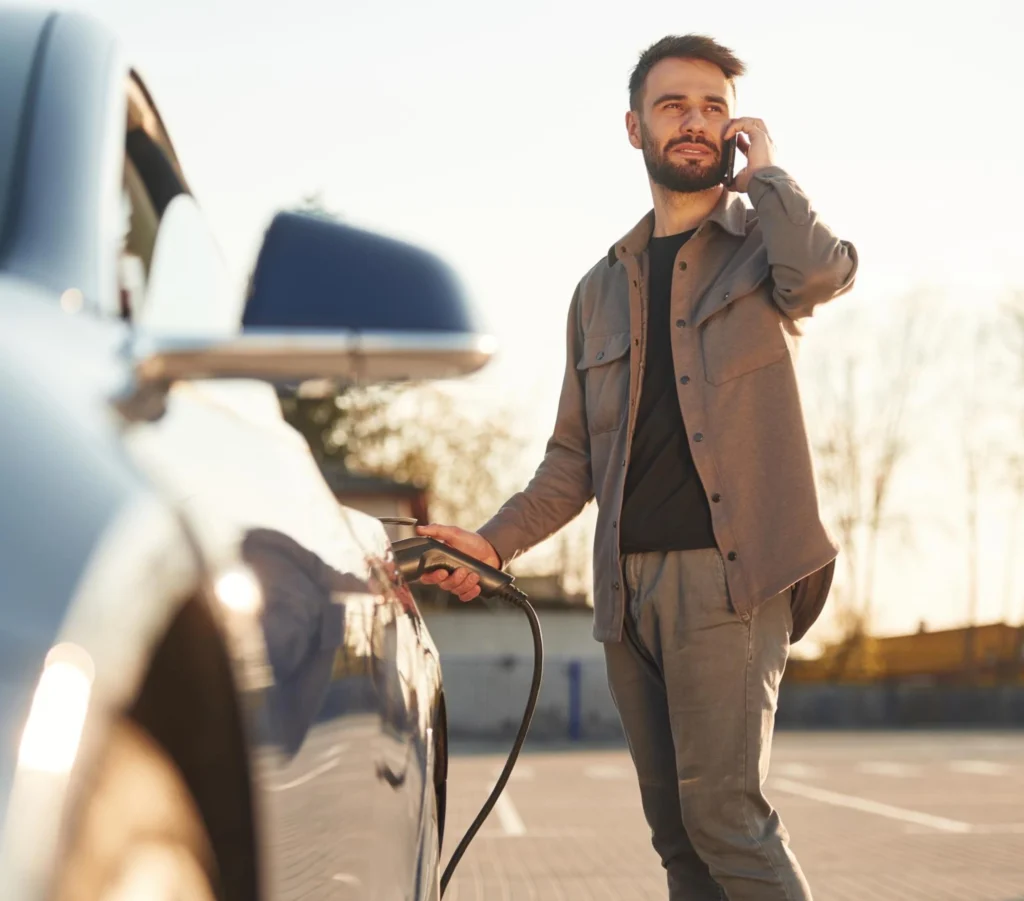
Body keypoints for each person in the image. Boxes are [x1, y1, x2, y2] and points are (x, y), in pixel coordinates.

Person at [416, 34, 857, 901]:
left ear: (734, 131)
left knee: (729, 821)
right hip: (627, 594)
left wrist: (769, 172)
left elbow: (823, 274)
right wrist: (489, 545)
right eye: (674, 105)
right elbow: (570, 460)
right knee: (679, 843)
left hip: (731, 581)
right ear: (634, 128)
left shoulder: (765, 249)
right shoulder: (597, 290)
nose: (696, 122)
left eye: (714, 108)